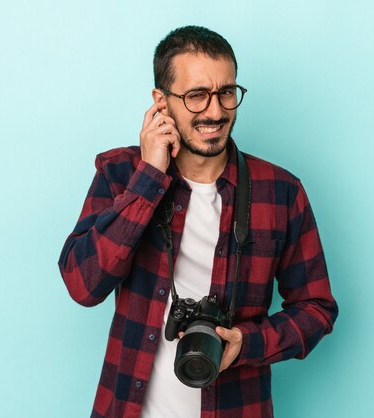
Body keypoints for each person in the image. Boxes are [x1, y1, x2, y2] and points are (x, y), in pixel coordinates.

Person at [58, 25, 338, 418]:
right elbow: (82, 284)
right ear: (161, 102)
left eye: (226, 92)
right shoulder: (121, 173)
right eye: (196, 96)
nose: (216, 111)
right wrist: (149, 178)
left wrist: (248, 342)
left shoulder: (281, 192)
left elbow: (317, 307)